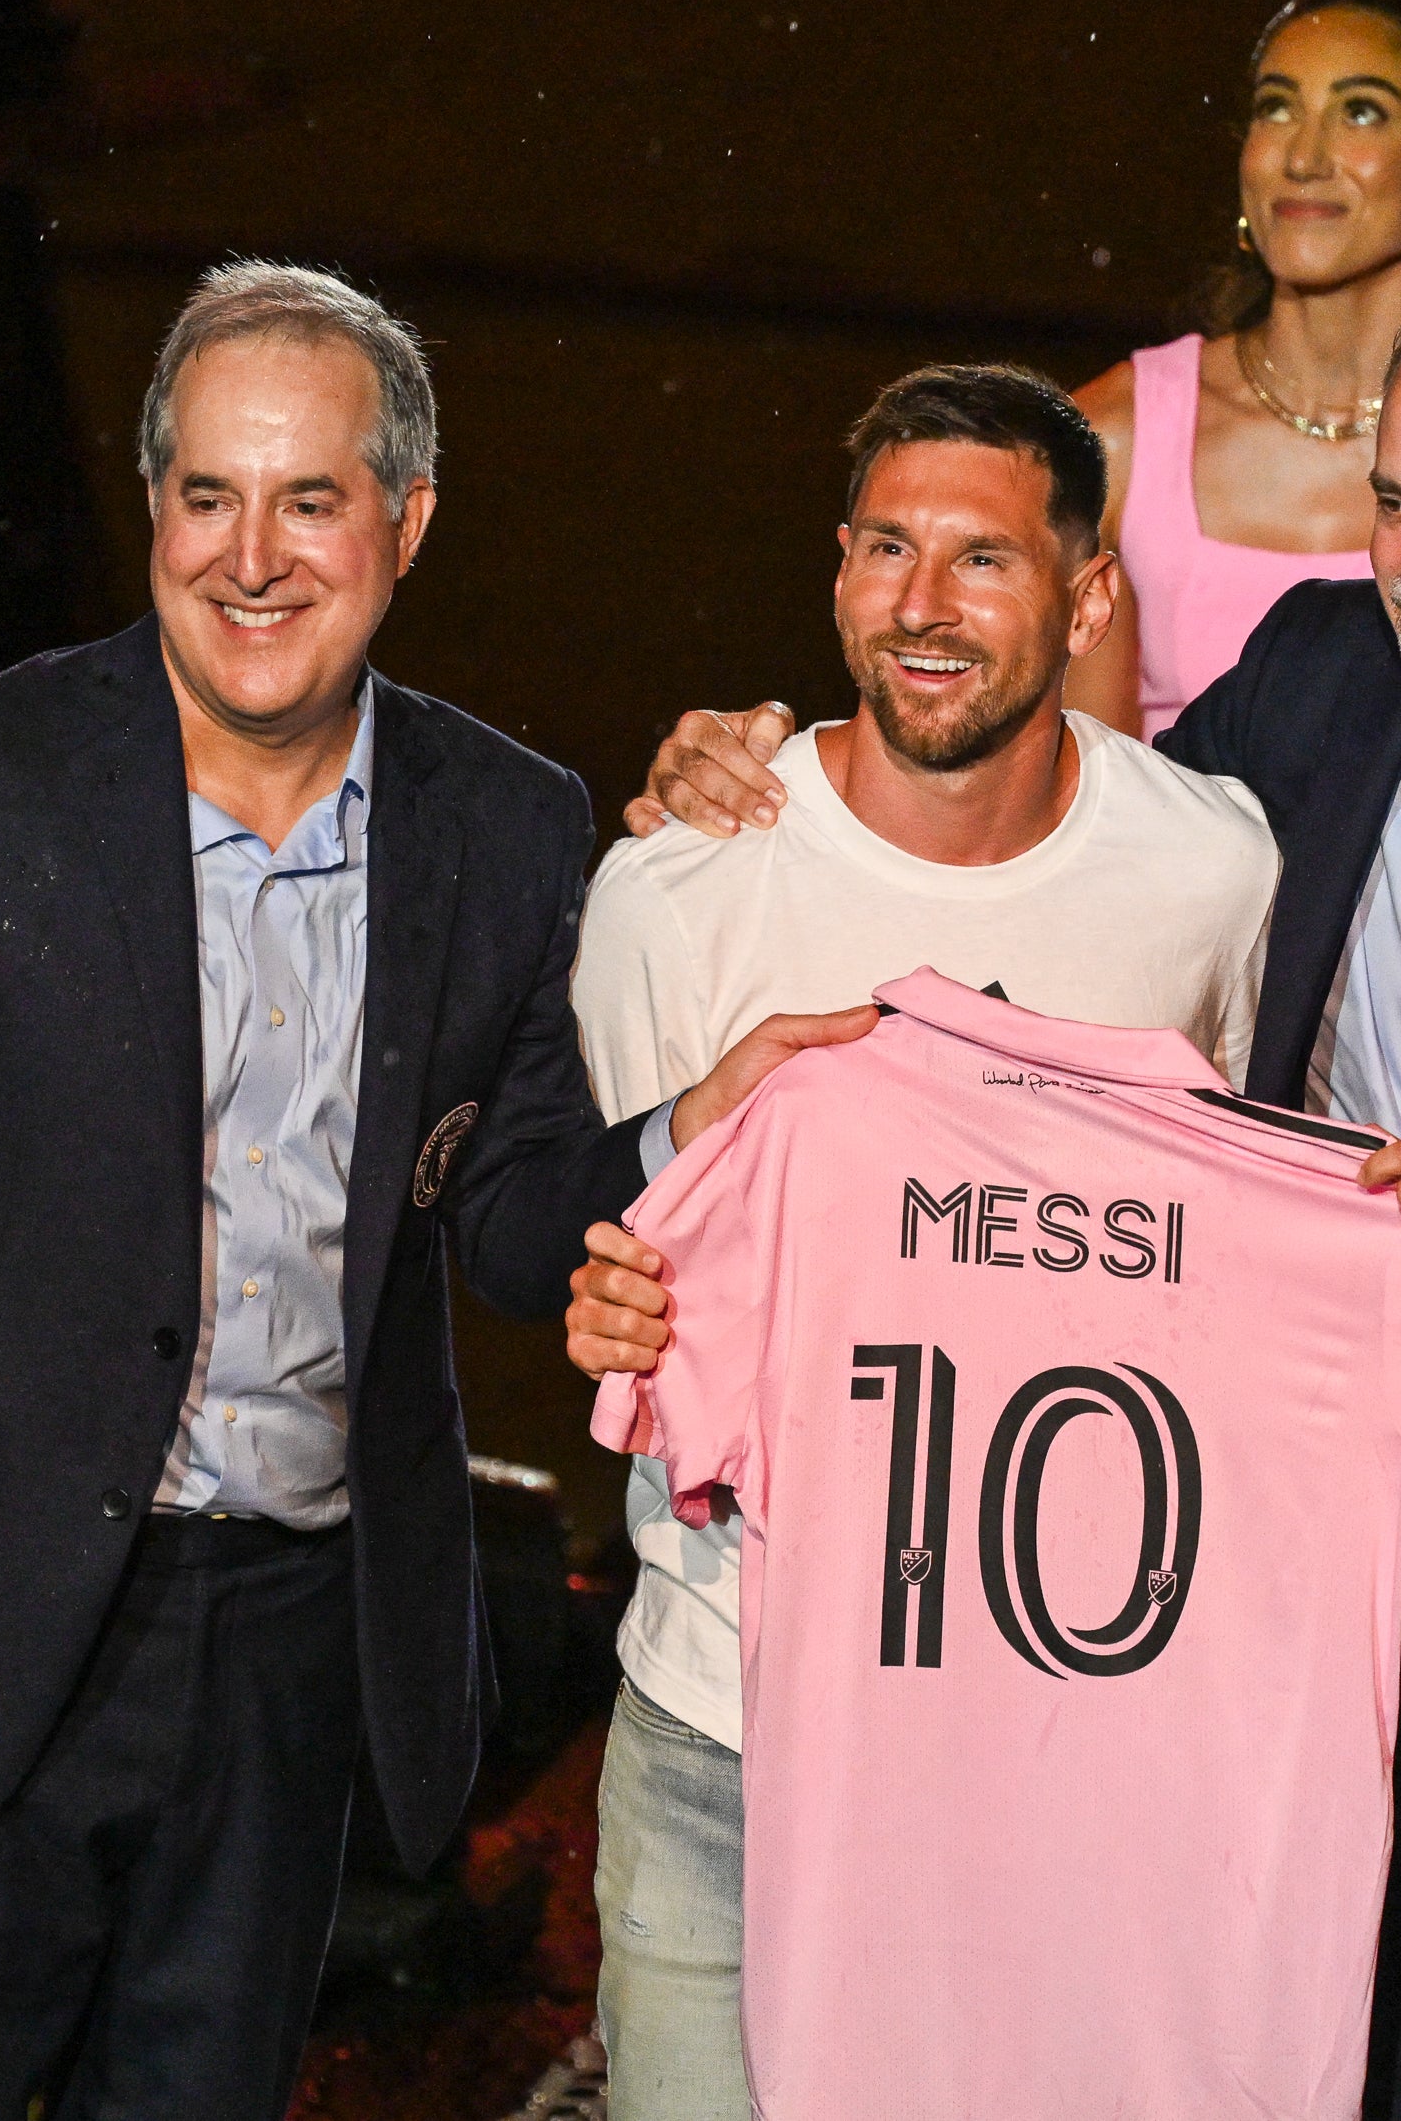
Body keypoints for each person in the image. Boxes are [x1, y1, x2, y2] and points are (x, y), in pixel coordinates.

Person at [615, 260, 1401, 2120]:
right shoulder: (1316, 674)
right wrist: (781, 777)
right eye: (1396, 499)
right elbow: (1065, 879)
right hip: (1346, 1657)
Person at [0, 262, 841, 2121]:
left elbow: (516, 1203)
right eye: (207, 494)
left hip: (291, 1660)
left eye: (310, 498)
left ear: (409, 521)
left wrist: (683, 1133)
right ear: (154, 507)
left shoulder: (509, 824)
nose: (252, 557)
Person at [566, 364, 1279, 2121]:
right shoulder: (676, 893)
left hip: (1060, 1755)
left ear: (1091, 593)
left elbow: (1232, 1239)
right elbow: (626, 1261)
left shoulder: (1213, 873)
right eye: (888, 547)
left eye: (983, 557)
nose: (924, 603)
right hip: (730, 1732)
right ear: (833, 572)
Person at [1063, 0, 1401, 740]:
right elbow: (1061, 812)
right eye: (1277, 108)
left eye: (1361, 112)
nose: (1302, 158)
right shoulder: (1111, 441)